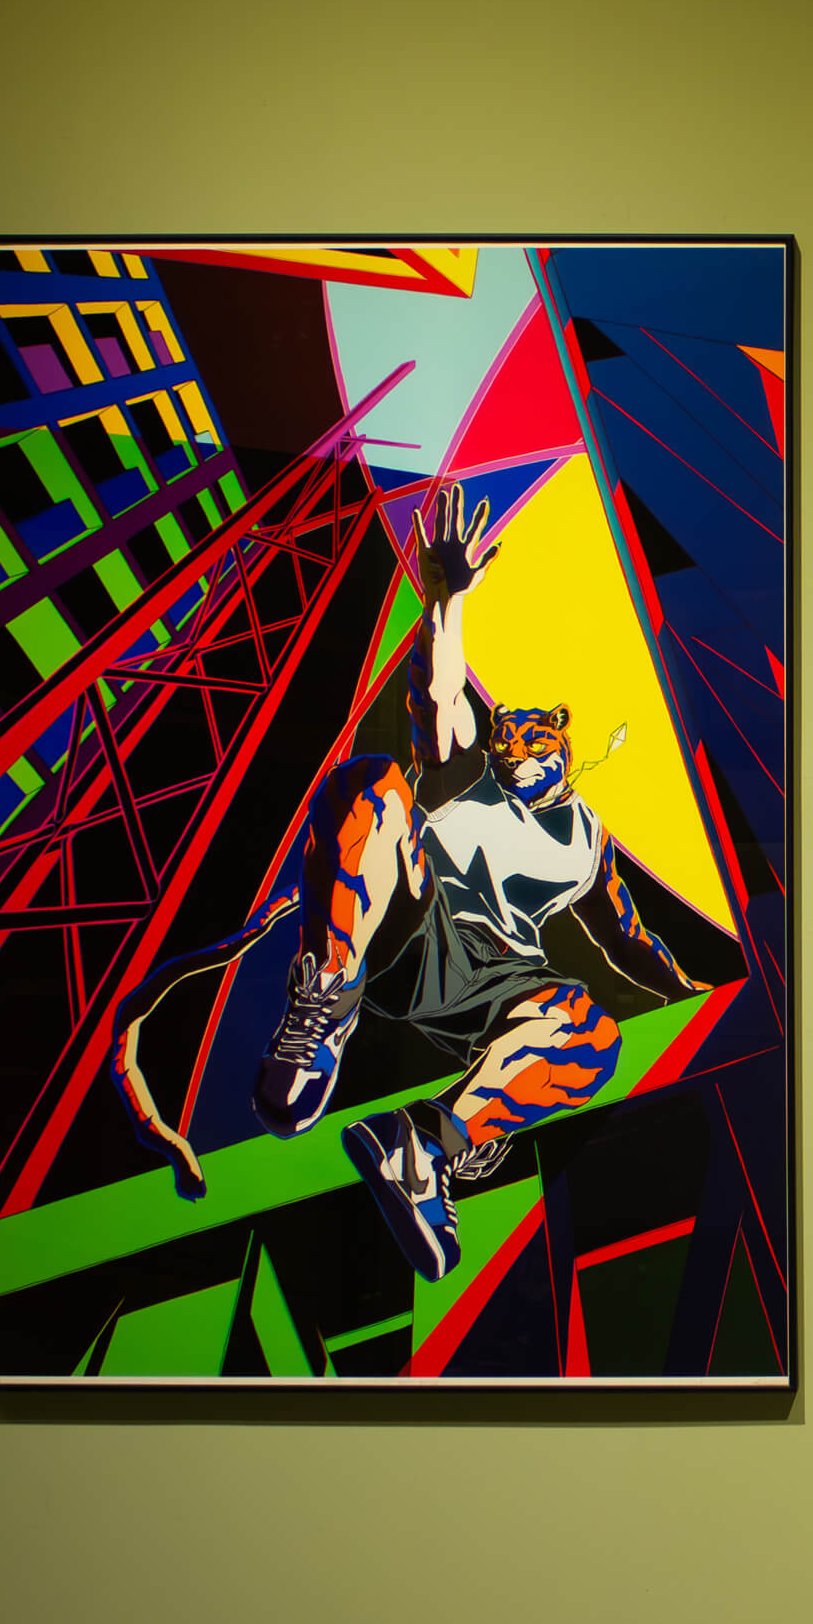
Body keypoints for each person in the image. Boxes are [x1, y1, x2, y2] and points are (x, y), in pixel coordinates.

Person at [253, 483, 697, 1279]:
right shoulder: (468, 775)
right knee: (372, 784)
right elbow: (439, 694)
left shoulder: (588, 840)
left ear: (562, 752)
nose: (518, 752)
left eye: (535, 743)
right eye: (510, 740)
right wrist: (445, 601)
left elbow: (628, 937)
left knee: (589, 1031)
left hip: (496, 979)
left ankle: (429, 1147)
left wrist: (686, 990)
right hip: (417, 923)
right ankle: (327, 1001)